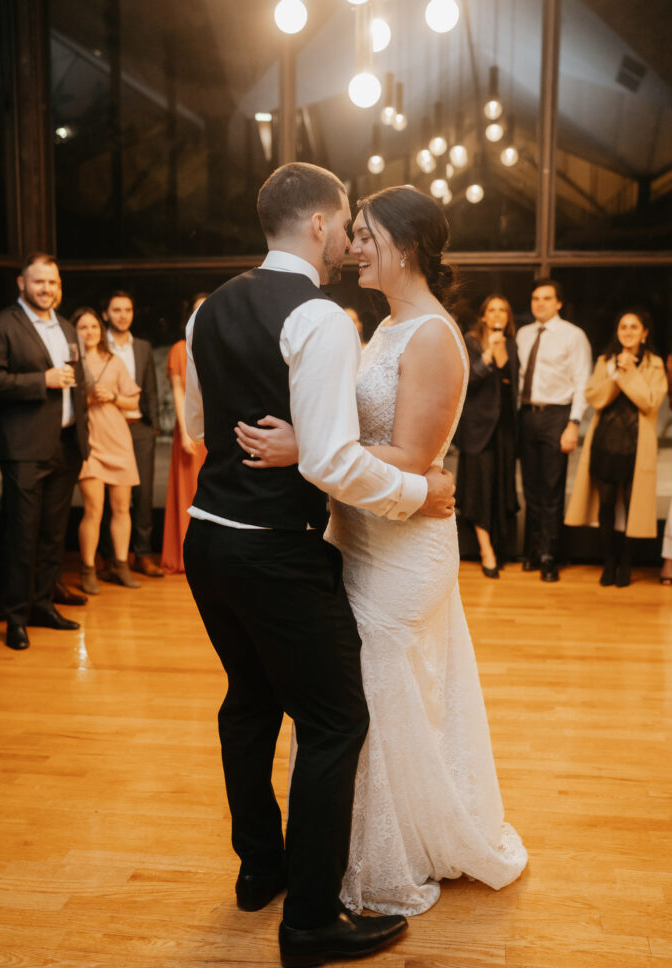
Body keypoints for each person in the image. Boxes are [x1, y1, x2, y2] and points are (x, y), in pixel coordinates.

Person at [182, 163, 457, 968]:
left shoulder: (208, 310)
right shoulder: (322, 317)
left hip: (207, 540)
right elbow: (333, 460)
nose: (349, 240)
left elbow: (201, 425)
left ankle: (259, 869)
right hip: (274, 550)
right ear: (315, 226)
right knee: (337, 721)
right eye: (345, 226)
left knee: (248, 702)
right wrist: (419, 490)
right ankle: (307, 921)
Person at [237, 184, 527, 919]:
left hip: (403, 551)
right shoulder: (385, 326)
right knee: (359, 696)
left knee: (376, 694)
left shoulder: (431, 335)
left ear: (408, 244)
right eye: (351, 232)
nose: (351, 246)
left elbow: (415, 457)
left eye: (365, 235)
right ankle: (350, 850)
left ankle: (382, 859)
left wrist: (312, 450)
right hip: (358, 538)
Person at [0, 253, 89, 650]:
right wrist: (41, 380)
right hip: (25, 447)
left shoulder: (66, 327)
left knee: (52, 534)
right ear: (21, 284)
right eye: (40, 282)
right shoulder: (1, 325)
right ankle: (14, 616)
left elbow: (77, 383)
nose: (48, 289)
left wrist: (85, 436)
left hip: (66, 446)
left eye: (54, 282)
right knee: (22, 535)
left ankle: (42, 605)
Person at [565, 309, 667, 587]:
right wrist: (615, 374)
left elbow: (649, 401)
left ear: (645, 332)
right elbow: (595, 398)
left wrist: (629, 373)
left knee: (632, 507)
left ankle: (626, 564)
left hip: (636, 446)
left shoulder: (655, 364)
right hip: (606, 443)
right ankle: (608, 563)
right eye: (623, 326)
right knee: (607, 505)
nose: (628, 331)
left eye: (634, 327)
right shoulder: (605, 361)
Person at [517, 279, 592, 581]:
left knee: (552, 489)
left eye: (547, 298)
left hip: (557, 417)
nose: (540, 303)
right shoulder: (523, 334)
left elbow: (582, 382)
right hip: (527, 415)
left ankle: (550, 555)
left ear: (558, 303)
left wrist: (573, 424)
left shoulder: (573, 336)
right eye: (535, 298)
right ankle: (534, 551)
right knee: (532, 488)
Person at [72, 308, 142, 593]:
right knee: (93, 508)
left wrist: (112, 396)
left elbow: (133, 401)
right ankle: (87, 569)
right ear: (74, 331)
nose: (90, 332)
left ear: (101, 331)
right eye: (83, 327)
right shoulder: (71, 363)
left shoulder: (114, 361)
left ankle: (120, 566)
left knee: (122, 507)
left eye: (94, 327)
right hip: (88, 441)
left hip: (118, 439)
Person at [455, 294, 519, 576]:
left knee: (499, 487)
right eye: (491, 310)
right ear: (483, 316)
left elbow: (511, 384)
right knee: (478, 489)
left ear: (508, 317)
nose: (496, 315)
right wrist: (488, 357)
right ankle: (486, 550)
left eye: (502, 310)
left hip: (504, 427)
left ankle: (500, 545)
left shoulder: (513, 344)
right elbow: (467, 380)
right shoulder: (470, 341)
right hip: (477, 428)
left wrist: (502, 355)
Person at [101, 291, 163, 577]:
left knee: (144, 493)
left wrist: (152, 427)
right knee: (109, 494)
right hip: (108, 426)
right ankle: (111, 557)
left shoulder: (142, 346)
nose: (123, 315)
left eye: (127, 309)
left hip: (139, 428)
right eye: (116, 310)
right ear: (106, 315)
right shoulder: (98, 345)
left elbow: (150, 388)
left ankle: (143, 553)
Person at [160, 294, 208, 574]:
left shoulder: (220, 343)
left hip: (217, 428)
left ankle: (207, 555)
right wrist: (187, 430)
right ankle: (183, 555)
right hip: (191, 427)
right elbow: (178, 391)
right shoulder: (180, 348)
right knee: (189, 491)